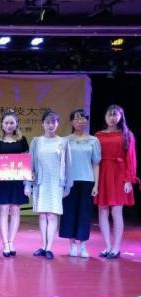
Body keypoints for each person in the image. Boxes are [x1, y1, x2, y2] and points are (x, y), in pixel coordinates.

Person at [26, 110, 72, 260]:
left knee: (52, 215)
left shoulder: (63, 142)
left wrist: (67, 186)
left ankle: (49, 248)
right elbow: (30, 164)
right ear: (42, 124)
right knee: (42, 215)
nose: (50, 125)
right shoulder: (36, 141)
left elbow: (68, 166)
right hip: (41, 182)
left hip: (56, 183)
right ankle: (43, 245)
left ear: (57, 124)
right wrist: (27, 184)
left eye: (53, 122)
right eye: (47, 122)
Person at [95, 104, 138, 259]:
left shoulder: (127, 134)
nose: (112, 118)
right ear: (105, 116)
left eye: (115, 115)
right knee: (102, 210)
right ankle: (107, 246)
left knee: (116, 211)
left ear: (121, 117)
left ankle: (116, 247)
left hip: (119, 174)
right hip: (102, 173)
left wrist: (129, 180)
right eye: (109, 114)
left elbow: (131, 158)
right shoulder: (98, 135)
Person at [59, 109, 101, 258]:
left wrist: (96, 185)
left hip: (87, 181)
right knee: (69, 213)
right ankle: (72, 245)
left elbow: (96, 164)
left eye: (83, 118)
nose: (80, 121)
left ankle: (83, 245)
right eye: (76, 119)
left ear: (87, 121)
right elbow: (61, 163)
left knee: (84, 214)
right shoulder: (65, 140)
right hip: (69, 181)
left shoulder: (93, 140)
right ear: (71, 122)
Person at [0, 111, 29, 257]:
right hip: (2, 181)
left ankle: (11, 242)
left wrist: (27, 182)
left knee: (15, 210)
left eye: (12, 123)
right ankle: (5, 244)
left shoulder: (22, 140)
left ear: (16, 124)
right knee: (3, 210)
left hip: (17, 181)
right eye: (6, 123)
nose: (9, 125)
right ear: (2, 124)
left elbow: (26, 161)